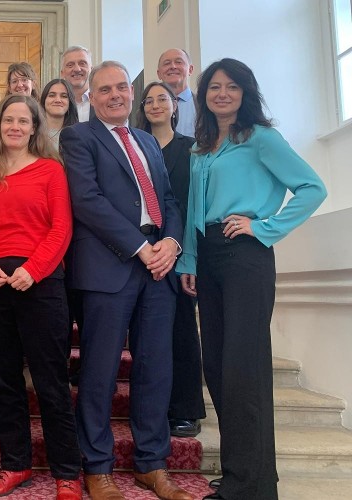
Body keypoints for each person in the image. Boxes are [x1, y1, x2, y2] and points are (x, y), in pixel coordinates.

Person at [176, 58, 327, 500]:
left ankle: (249, 487)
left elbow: (312, 188)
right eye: (214, 87)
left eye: (232, 87)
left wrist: (264, 228)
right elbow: (193, 210)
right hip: (208, 257)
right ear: (203, 96)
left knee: (245, 371)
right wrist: (189, 261)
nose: (222, 94)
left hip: (245, 257)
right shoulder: (202, 147)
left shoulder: (261, 139)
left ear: (246, 93)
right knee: (218, 369)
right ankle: (244, 474)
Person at [60, 61, 193, 500]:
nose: (115, 94)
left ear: (131, 95)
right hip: (110, 267)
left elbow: (169, 198)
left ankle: (151, 464)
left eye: (121, 87)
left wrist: (171, 242)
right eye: (105, 90)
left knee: (156, 369)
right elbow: (87, 200)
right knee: (99, 372)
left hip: (158, 268)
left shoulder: (147, 141)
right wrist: (140, 248)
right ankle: (97, 466)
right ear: (92, 97)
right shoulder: (78, 137)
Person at [0, 94, 82, 500]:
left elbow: (61, 229)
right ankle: (15, 465)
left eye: (23, 121)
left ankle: (67, 473)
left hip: (41, 284)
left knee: (51, 382)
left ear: (35, 127)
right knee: (5, 380)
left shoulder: (51, 171)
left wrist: (33, 270)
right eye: (8, 120)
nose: (15, 126)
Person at [135, 81, 206, 439]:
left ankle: (185, 408)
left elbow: (194, 205)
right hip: (141, 251)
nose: (155, 105)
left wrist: (185, 253)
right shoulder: (135, 145)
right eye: (149, 100)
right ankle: (152, 406)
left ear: (175, 107)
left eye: (162, 99)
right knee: (146, 336)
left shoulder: (191, 148)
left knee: (181, 333)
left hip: (178, 251)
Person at [157, 49, 196, 136]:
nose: (173, 66)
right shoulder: (148, 107)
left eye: (178, 62)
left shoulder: (203, 104)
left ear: (190, 69)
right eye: (167, 63)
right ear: (159, 73)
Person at [40, 78, 78, 149]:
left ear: (70, 102)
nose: (58, 100)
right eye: (52, 95)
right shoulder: (32, 132)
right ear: (44, 100)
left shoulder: (79, 134)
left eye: (64, 96)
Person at [60, 45, 93, 122]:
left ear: (91, 70)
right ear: (62, 73)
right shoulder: (55, 103)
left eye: (82, 63)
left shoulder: (101, 100)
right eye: (70, 65)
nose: (77, 69)